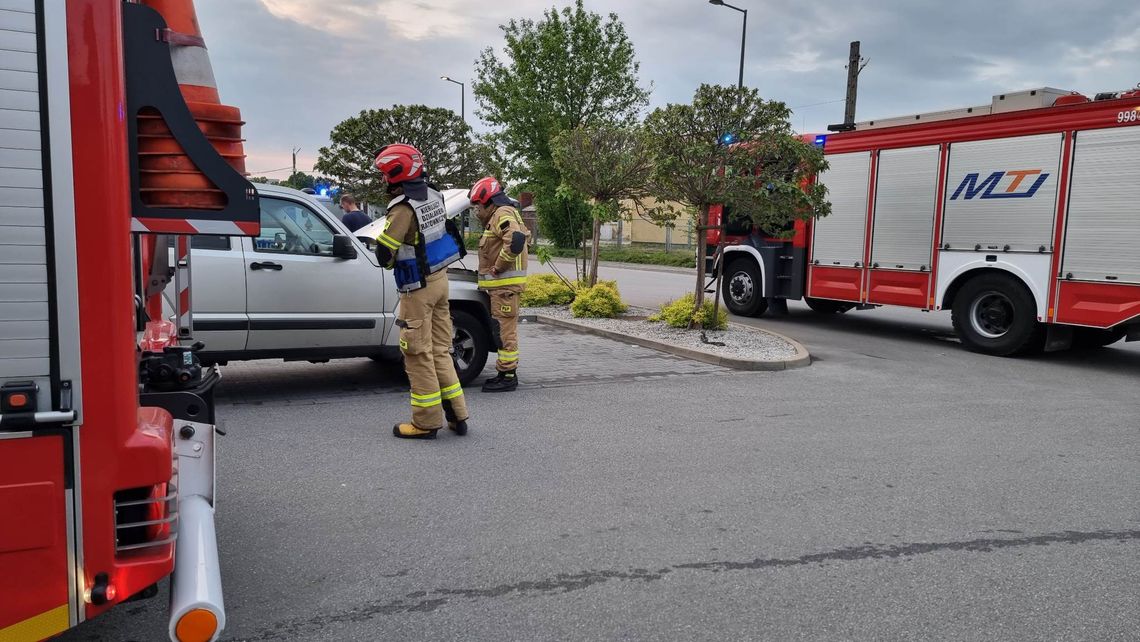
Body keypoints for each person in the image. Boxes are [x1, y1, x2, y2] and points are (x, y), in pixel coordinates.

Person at [372, 143, 469, 439]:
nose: (383, 179)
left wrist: (382, 243)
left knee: (417, 354)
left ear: (397, 173)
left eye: (385, 174)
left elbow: (385, 255)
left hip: (417, 289)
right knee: (441, 350)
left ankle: (426, 422)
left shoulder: (403, 208)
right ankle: (458, 415)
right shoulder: (434, 194)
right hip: (440, 280)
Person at [468, 176, 529, 393]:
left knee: (505, 332)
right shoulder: (501, 214)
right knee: (501, 330)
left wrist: (498, 267)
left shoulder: (502, 214)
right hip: (501, 288)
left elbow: (516, 240)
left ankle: (508, 376)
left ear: (488, 201)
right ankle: (505, 373)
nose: (476, 211)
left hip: (505, 288)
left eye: (478, 205)